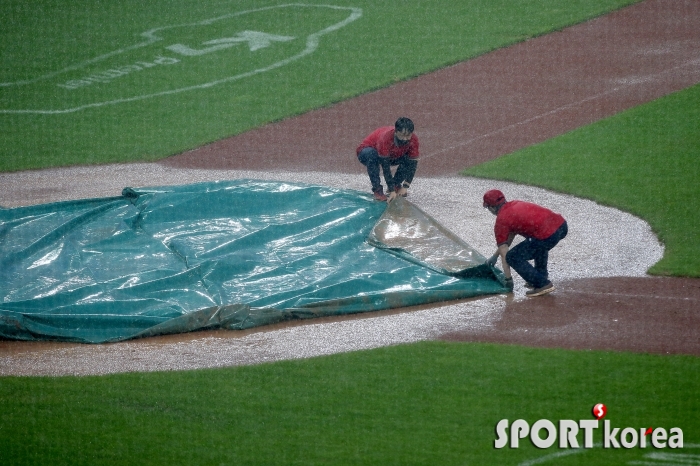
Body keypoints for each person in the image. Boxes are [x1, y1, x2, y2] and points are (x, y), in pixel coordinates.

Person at [482, 189, 568, 297]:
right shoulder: (514, 204)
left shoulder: (501, 220)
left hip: (548, 235)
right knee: (536, 241)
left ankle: (542, 284)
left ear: (491, 207)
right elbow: (508, 238)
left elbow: (505, 253)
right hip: (561, 226)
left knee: (512, 257)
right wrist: (494, 256)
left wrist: (508, 280)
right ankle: (541, 275)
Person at [356, 117, 419, 202]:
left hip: (392, 156)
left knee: (408, 159)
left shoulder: (413, 140)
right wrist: (391, 190)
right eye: (402, 135)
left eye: (408, 136)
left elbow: (413, 164)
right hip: (367, 152)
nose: (405, 139)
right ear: (396, 132)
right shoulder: (385, 138)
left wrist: (405, 186)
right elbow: (386, 167)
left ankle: (396, 183)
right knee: (372, 155)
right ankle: (377, 189)